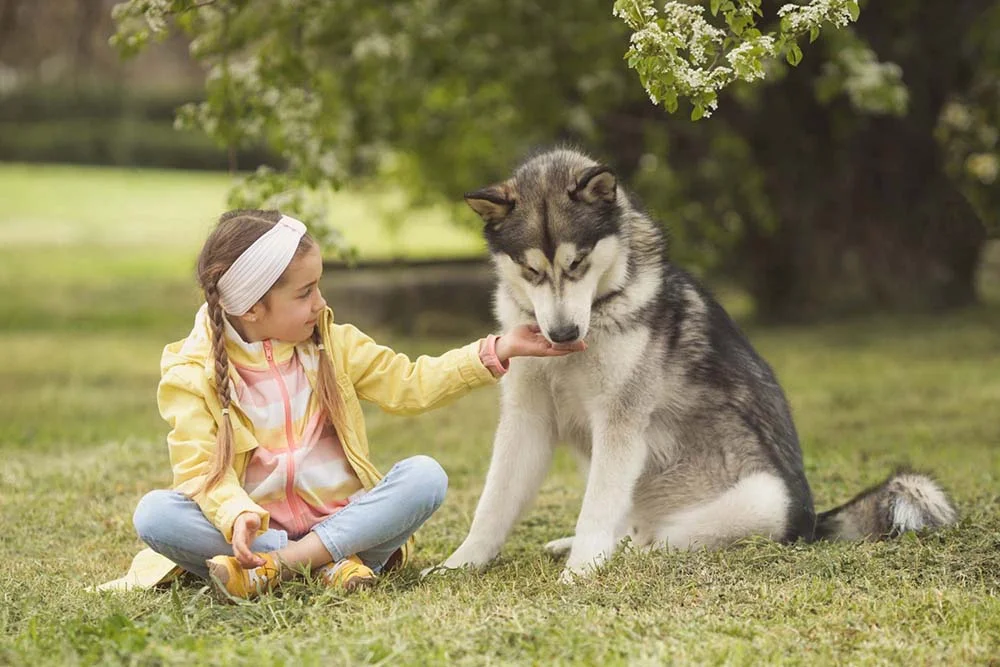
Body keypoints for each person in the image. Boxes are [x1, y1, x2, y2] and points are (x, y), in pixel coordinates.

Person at [98, 209, 585, 600]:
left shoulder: (333, 344)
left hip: (345, 523)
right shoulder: (191, 373)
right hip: (257, 530)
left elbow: (409, 384)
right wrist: (234, 515)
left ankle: (280, 568)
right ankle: (321, 564)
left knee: (425, 477)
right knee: (156, 514)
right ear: (251, 308)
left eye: (319, 287)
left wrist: (496, 350)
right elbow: (200, 468)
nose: (320, 303)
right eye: (305, 292)